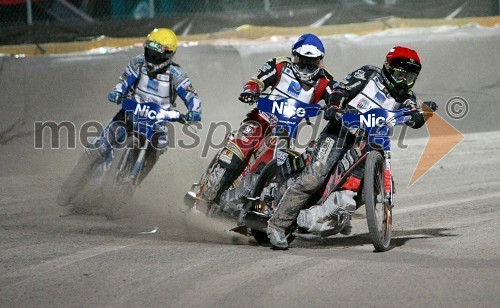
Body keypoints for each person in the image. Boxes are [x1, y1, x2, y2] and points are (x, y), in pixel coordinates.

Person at [266, 46, 438, 249]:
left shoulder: (406, 97)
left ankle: (335, 214)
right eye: (400, 74)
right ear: (388, 69)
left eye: (409, 77)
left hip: (370, 141)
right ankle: (277, 225)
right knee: (314, 177)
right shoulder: (368, 74)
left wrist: (423, 114)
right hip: (340, 130)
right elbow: (341, 89)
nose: (403, 81)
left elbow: (414, 118)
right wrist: (334, 107)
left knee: (370, 191)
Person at [190, 33, 338, 214]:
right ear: (295, 57)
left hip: (287, 129)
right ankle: (203, 198)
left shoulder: (325, 80)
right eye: (303, 61)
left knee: (286, 162)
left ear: (319, 61)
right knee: (240, 146)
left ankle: (264, 203)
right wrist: (251, 90)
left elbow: (336, 98)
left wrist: (335, 108)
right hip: (261, 119)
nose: (307, 67)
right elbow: (257, 80)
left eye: (312, 62)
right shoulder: (279, 65)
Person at [57, 28, 202, 206]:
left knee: (160, 145)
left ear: (168, 55)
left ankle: (131, 185)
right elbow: (123, 82)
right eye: (149, 52)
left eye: (156, 55)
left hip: (157, 121)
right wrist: (117, 93)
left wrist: (194, 112)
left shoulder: (177, 75)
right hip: (130, 113)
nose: (151, 58)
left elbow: (191, 96)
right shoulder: (137, 64)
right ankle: (69, 187)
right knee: (99, 146)